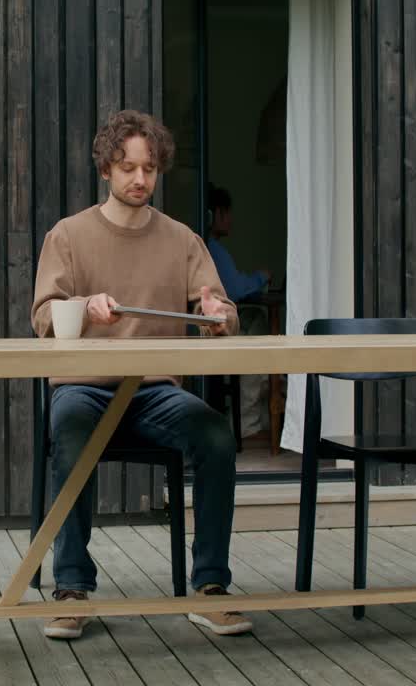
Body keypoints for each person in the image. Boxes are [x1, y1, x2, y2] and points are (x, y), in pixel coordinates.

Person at [30, 109, 253, 640]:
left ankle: (210, 588)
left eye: (149, 169)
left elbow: (222, 311)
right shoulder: (67, 235)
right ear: (106, 168)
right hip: (84, 388)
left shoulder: (182, 240)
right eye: (128, 167)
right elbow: (43, 317)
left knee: (216, 435)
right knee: (70, 428)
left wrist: (219, 317)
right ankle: (71, 587)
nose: (139, 179)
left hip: (155, 394)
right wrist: (85, 309)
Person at [206, 183, 270, 303]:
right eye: (227, 212)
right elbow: (236, 290)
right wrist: (262, 277)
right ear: (215, 214)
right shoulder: (213, 249)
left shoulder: (203, 244)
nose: (231, 219)